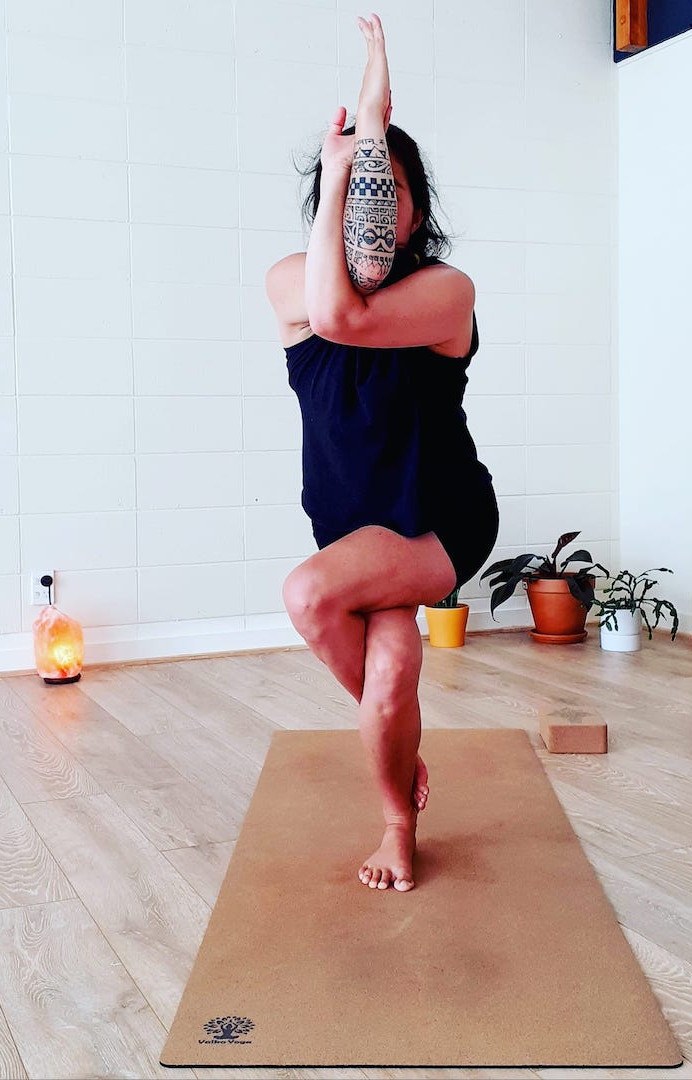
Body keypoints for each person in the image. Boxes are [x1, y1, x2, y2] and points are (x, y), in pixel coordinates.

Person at [264, 13, 498, 893]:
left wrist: (370, 117)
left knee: (306, 593)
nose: (376, 201)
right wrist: (340, 174)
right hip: (351, 523)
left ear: (418, 207)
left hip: (438, 518)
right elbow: (328, 299)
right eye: (364, 183)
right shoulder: (288, 280)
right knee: (393, 675)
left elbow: (348, 315)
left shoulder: (446, 292)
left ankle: (397, 802)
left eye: (392, 186)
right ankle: (400, 805)